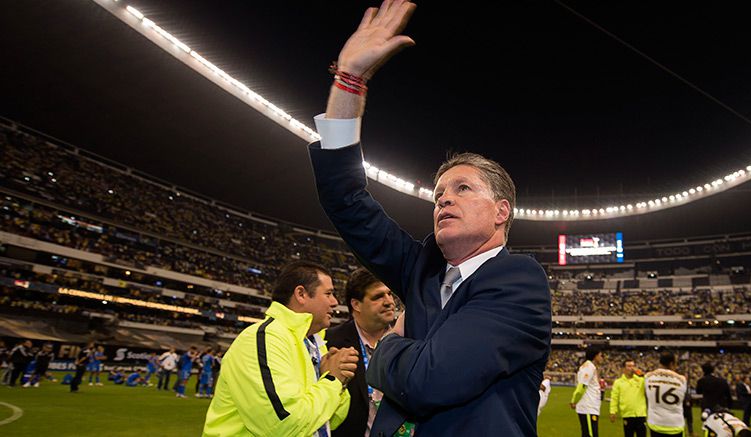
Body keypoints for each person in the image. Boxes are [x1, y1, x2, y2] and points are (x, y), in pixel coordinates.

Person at [308, 2, 551, 435]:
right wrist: (350, 80)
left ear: (501, 212)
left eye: (462, 189)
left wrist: (385, 347)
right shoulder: (421, 267)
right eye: (438, 194)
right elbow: (344, 197)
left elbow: (429, 382)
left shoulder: (519, 280)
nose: (443, 201)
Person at [203, 261, 359, 436]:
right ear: (301, 294)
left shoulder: (313, 343)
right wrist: (332, 379)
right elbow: (283, 426)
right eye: (329, 294)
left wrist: (340, 383)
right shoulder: (264, 339)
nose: (335, 302)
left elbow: (330, 421)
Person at [326, 267, 397, 437]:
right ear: (356, 304)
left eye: (389, 294)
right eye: (378, 297)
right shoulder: (331, 342)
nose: (389, 301)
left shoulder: (408, 338)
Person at [644, 351, 686, 437]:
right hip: (675, 424)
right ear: (671, 363)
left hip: (656, 423)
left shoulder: (648, 378)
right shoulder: (682, 380)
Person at [571, 346, 604, 437]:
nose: (602, 358)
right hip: (588, 407)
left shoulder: (590, 367)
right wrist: (574, 400)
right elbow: (582, 385)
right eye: (601, 355)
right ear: (595, 356)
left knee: (589, 433)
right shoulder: (589, 367)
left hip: (591, 407)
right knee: (590, 434)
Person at [610, 358, 647, 437]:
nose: (632, 368)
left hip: (640, 414)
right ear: (624, 368)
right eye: (629, 366)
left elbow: (649, 381)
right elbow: (614, 398)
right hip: (627, 414)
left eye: (633, 366)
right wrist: (613, 411)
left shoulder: (641, 380)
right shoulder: (618, 382)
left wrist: (640, 373)